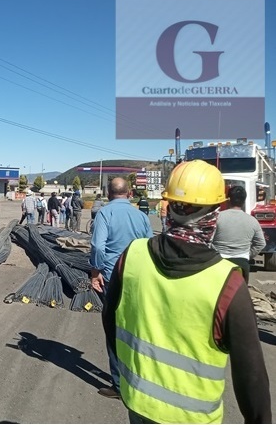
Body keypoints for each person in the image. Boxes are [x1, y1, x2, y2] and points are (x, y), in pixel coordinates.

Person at [102, 160, 271, 424]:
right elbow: (251, 376)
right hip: (193, 418)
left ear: (168, 208)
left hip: (137, 402)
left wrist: (126, 377)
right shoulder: (227, 284)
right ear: (215, 213)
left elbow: (109, 320)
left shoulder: (132, 256)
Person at [90, 177, 153, 400]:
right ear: (129, 193)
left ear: (108, 193)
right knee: (136, 328)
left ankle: (119, 385)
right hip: (138, 278)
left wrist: (96, 270)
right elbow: (150, 245)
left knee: (113, 330)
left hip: (113, 278)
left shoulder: (105, 214)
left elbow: (98, 245)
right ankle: (140, 377)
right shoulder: (141, 216)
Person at [212, 185, 266, 282]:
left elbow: (207, 239)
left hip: (219, 262)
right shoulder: (252, 221)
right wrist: (247, 255)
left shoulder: (217, 218)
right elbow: (261, 243)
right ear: (244, 201)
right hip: (242, 263)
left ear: (228, 199)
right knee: (240, 294)